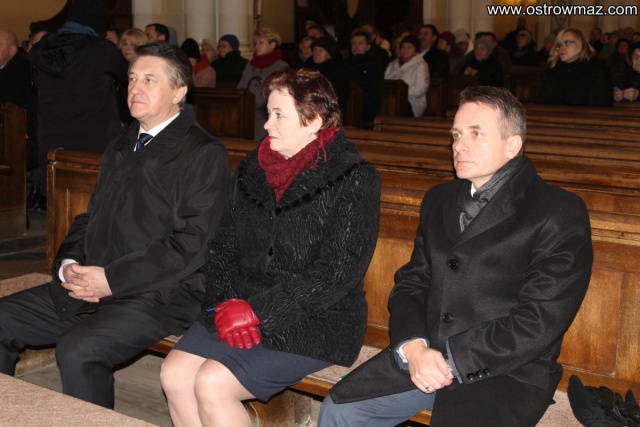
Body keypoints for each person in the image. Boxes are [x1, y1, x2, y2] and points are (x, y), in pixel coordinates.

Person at [318, 85, 594, 427]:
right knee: (340, 408)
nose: (459, 145)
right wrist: (413, 346)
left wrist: (452, 360)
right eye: (456, 134)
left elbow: (539, 322)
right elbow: (412, 283)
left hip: (506, 369)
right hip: (427, 352)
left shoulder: (556, 211)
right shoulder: (439, 200)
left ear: (512, 145)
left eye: (476, 133)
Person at [0, 41, 230, 409]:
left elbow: (192, 244)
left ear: (179, 91)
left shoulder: (202, 152)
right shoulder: (122, 143)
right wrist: (68, 265)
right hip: (94, 280)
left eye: (149, 80)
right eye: (132, 78)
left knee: (79, 349)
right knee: (2, 318)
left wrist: (112, 279)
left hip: (159, 294)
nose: (135, 88)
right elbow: (90, 217)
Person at [160, 68, 381, 426]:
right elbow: (223, 246)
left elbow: (337, 273)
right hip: (238, 304)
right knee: (174, 374)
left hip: (317, 319)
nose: (266, 124)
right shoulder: (252, 168)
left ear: (314, 120)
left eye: (279, 114)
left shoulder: (353, 177)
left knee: (212, 383)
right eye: (269, 113)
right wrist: (225, 304)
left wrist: (258, 312)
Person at [28, 0, 129, 210]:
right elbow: (124, 72)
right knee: (98, 209)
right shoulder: (101, 50)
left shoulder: (40, 49)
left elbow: (34, 84)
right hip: (94, 142)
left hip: (53, 141)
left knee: (61, 208)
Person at [535, 28, 613, 107]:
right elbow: (539, 100)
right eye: (559, 44)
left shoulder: (596, 70)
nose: (562, 47)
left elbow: (602, 104)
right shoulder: (553, 70)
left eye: (568, 43)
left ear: (581, 45)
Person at [237, 28, 289, 140]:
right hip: (247, 112)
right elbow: (241, 86)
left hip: (266, 114)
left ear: (272, 45)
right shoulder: (250, 65)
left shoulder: (280, 66)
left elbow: (279, 93)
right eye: (255, 43)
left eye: (261, 43)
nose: (257, 46)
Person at [345, 28, 384, 124]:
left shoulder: (374, 65)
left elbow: (374, 91)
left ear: (368, 46)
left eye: (360, 44)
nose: (356, 47)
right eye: (354, 43)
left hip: (366, 110)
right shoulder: (346, 63)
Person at [384, 35, 429, 117]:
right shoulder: (392, 64)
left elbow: (421, 88)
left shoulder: (421, 65)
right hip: (390, 98)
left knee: (393, 103)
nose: (405, 50)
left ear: (415, 50)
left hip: (411, 101)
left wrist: (401, 92)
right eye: (403, 47)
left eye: (409, 47)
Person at [303, 35, 347, 114]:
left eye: (320, 50)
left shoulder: (337, 70)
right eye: (315, 50)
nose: (316, 53)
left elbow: (338, 96)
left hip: (328, 109)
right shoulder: (307, 67)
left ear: (329, 54)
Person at [116, 28, 148, 126]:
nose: (127, 48)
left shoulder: (146, 71)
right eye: (124, 44)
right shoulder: (116, 69)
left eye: (133, 45)